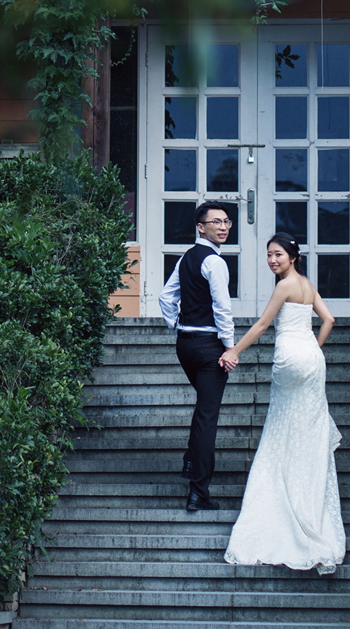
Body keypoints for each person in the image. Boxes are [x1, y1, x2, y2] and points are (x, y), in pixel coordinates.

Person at [220, 233, 345, 574]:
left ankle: (282, 496)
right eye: (269, 255)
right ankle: (306, 494)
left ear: (292, 256)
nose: (272, 260)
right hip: (312, 359)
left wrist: (233, 351)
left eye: (278, 254)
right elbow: (329, 320)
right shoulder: (306, 285)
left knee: (281, 430)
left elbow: (263, 324)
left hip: (290, 358)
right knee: (306, 430)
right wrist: (314, 348)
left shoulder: (285, 286)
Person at [156, 202, 235, 512]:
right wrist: (229, 346)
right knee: (207, 417)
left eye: (226, 221)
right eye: (216, 222)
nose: (223, 227)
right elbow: (222, 307)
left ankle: (191, 462)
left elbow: (166, 297)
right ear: (201, 227)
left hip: (186, 345)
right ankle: (198, 491)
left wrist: (176, 324)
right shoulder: (215, 262)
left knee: (203, 409)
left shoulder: (186, 257)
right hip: (209, 346)